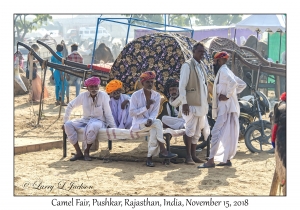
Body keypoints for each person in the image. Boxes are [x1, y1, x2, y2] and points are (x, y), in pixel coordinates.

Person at [198, 51, 246, 168]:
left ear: (219, 61)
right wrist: (232, 95)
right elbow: (241, 84)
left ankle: (211, 161)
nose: (214, 64)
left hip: (225, 108)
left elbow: (234, 83)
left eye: (215, 61)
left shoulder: (224, 71)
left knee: (215, 133)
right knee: (226, 133)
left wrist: (228, 96)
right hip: (228, 107)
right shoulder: (225, 71)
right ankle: (226, 160)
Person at [129, 71, 178, 167]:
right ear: (142, 83)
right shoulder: (135, 95)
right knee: (158, 123)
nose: (150, 84)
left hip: (151, 124)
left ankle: (149, 158)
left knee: (154, 130)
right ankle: (163, 149)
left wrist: (151, 120)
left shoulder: (156, 96)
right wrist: (145, 107)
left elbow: (154, 113)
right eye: (147, 82)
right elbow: (131, 113)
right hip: (137, 124)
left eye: (152, 82)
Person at [62, 76, 116, 161]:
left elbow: (108, 113)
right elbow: (70, 105)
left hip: (99, 121)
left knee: (93, 126)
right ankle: (79, 152)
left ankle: (86, 152)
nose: (94, 89)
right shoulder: (83, 96)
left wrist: (113, 128)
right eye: (91, 87)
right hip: (85, 120)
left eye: (96, 86)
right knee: (68, 125)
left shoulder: (103, 96)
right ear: (87, 88)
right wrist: (65, 121)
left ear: (98, 86)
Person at [177, 42, 210, 165]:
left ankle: (194, 155)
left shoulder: (200, 66)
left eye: (203, 52)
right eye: (200, 52)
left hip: (200, 104)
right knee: (190, 130)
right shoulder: (187, 65)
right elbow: (182, 86)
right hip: (190, 104)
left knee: (197, 131)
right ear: (193, 52)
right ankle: (188, 156)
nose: (202, 54)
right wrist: (184, 103)